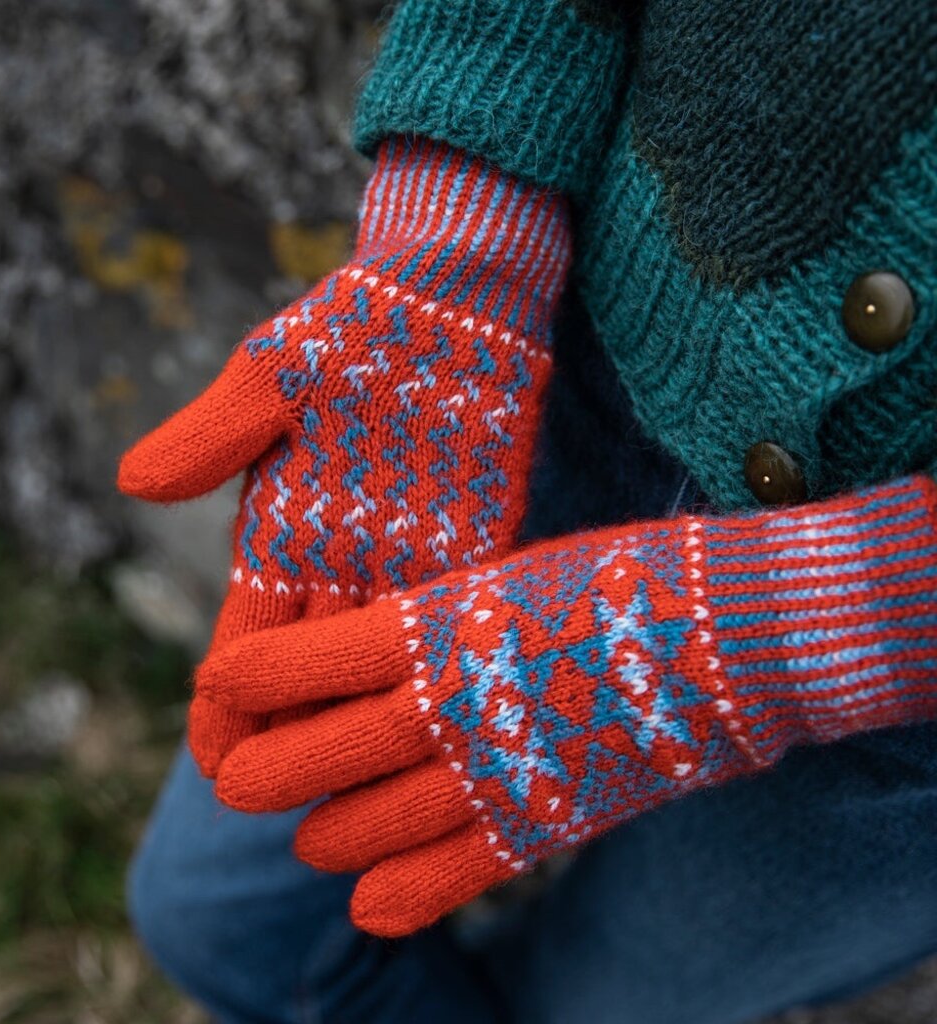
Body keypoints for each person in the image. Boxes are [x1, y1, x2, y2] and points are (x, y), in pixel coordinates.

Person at [120, 1, 937, 1021]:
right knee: (219, 914)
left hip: (904, 724)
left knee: (596, 1004)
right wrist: (459, 228)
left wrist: (834, 619)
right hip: (558, 382)